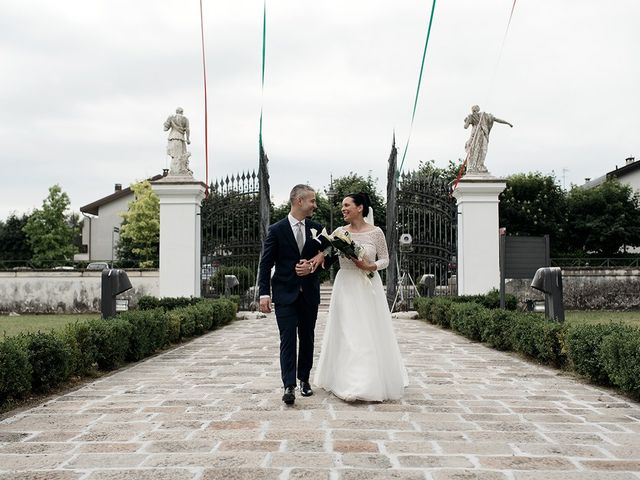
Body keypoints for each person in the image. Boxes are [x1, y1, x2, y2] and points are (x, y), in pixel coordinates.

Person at [314, 192, 408, 402]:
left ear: (360, 207)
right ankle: (347, 381)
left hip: (367, 286)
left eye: (347, 205)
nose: (343, 209)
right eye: (342, 206)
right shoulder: (339, 232)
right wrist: (320, 255)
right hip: (345, 284)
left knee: (366, 332)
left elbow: (385, 259)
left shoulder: (376, 233)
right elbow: (327, 252)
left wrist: (370, 265)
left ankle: (366, 382)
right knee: (347, 332)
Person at [258, 184, 332, 405]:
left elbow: (330, 253)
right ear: (299, 201)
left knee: (307, 337)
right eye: (312, 201)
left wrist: (315, 264)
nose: (315, 205)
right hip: (284, 294)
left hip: (309, 293)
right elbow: (265, 264)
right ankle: (288, 384)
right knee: (287, 339)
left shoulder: (317, 227)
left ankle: (304, 381)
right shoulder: (276, 230)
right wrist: (264, 293)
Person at [464, 105, 513, 174]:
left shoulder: (484, 115)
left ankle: (480, 165)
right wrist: (467, 120)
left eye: (476, 109)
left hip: (483, 134)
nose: (475, 111)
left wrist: (508, 123)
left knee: (483, 150)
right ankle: (472, 166)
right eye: (474, 110)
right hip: (475, 136)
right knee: (474, 150)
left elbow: (496, 119)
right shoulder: (471, 116)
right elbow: (465, 127)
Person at [163, 107, 192, 175]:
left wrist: (168, 121)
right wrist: (188, 139)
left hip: (172, 137)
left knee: (175, 156)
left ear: (176, 112)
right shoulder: (185, 119)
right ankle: (177, 171)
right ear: (182, 112)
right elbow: (187, 129)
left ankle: (177, 170)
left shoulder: (171, 118)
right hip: (181, 138)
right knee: (180, 155)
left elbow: (165, 129)